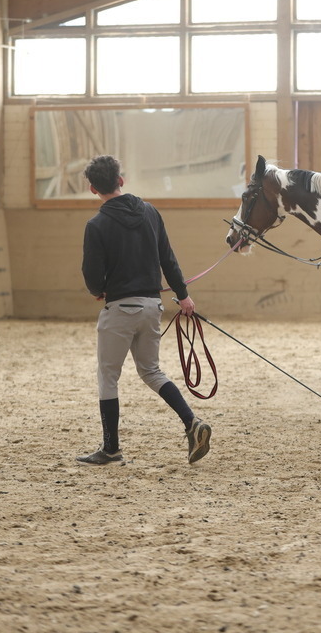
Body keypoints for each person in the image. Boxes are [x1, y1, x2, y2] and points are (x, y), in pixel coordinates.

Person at [76, 154, 211, 466]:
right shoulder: (150, 212)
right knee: (151, 371)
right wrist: (183, 296)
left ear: (93, 189)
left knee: (108, 376)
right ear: (121, 180)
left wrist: (98, 291)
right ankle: (192, 422)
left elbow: (91, 274)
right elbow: (168, 258)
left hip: (120, 309)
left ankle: (111, 450)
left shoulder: (96, 225)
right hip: (152, 307)